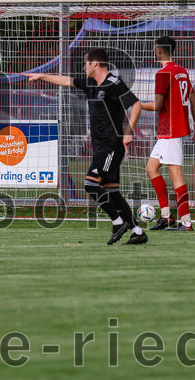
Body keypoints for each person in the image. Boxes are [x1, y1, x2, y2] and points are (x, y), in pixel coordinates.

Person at [25, 48, 147, 245]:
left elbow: (137, 104)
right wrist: (42, 76)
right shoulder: (91, 84)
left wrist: (128, 131)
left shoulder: (113, 83)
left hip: (111, 145)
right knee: (112, 191)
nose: (83, 67)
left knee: (90, 184)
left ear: (95, 64)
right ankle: (137, 231)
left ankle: (118, 223)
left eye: (86, 63)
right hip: (100, 146)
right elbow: (66, 81)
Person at [139, 36, 195, 231]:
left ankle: (187, 222)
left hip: (171, 130)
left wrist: (137, 105)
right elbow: (193, 100)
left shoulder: (163, 73)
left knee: (176, 176)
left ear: (158, 51)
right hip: (170, 130)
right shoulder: (181, 71)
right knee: (151, 168)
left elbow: (158, 105)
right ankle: (167, 217)